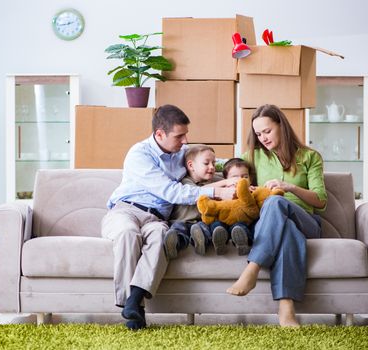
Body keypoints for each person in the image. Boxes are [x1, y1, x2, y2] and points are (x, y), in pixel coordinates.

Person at [101, 105, 235, 330]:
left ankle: (134, 301)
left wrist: (237, 169)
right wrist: (216, 191)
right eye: (179, 136)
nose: (185, 141)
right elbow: (170, 192)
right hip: (126, 210)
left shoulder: (183, 152)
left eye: (186, 134)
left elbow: (210, 160)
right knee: (128, 233)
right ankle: (133, 308)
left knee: (163, 236)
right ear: (160, 134)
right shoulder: (140, 154)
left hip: (157, 220)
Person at [226, 104, 327, 327]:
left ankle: (253, 267)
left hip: (307, 223)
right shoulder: (253, 157)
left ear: (281, 126)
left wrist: (289, 187)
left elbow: (320, 201)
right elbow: (222, 166)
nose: (263, 137)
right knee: (286, 229)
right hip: (278, 227)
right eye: (258, 133)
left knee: (275, 200)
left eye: (267, 131)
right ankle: (286, 310)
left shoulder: (310, 157)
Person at [163, 144, 237, 259]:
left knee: (202, 228)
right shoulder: (184, 181)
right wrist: (224, 184)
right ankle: (174, 243)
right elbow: (197, 192)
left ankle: (200, 243)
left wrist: (238, 185)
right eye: (206, 163)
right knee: (178, 229)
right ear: (191, 165)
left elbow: (233, 186)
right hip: (181, 220)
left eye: (214, 163)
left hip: (201, 222)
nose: (212, 167)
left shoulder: (216, 179)